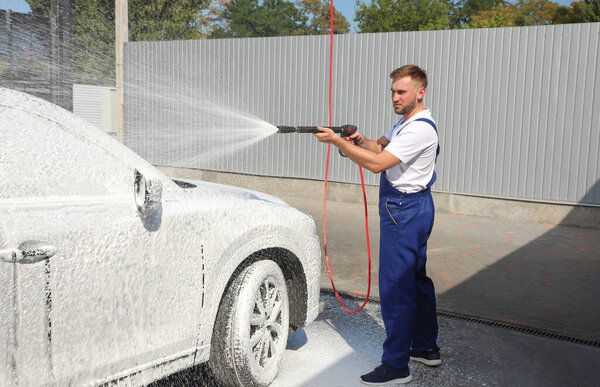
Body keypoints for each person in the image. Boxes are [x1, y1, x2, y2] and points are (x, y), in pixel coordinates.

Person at [314, 64, 441, 385]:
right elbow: (380, 147)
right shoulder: (405, 121)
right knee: (416, 279)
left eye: (402, 92)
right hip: (415, 207)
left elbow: (378, 164)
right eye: (393, 92)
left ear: (420, 92)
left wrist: (339, 144)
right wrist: (358, 139)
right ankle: (425, 348)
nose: (395, 97)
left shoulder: (420, 128)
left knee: (396, 287)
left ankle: (396, 365)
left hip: (404, 210)